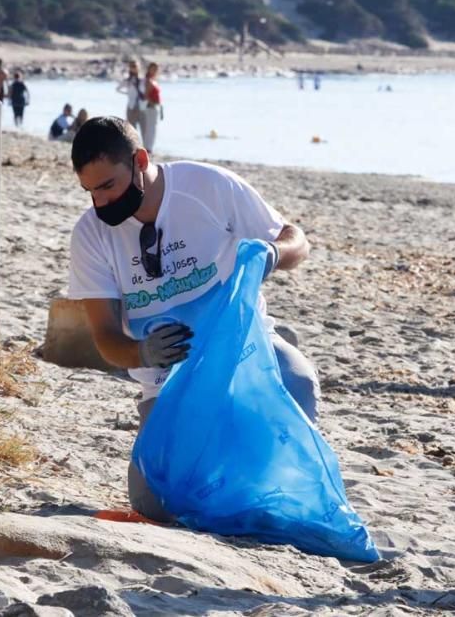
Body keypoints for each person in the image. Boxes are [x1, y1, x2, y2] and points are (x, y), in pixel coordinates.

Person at [66, 116, 319, 522]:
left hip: (243, 351)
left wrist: (273, 253)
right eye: (90, 192)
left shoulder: (207, 186)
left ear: (140, 160)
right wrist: (143, 352)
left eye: (108, 186)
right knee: (155, 504)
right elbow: (106, 338)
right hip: (168, 382)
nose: (101, 203)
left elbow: (297, 240)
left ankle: (268, 480)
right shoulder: (91, 235)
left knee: (299, 379)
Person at [116, 60, 144, 135]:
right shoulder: (128, 80)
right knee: (131, 128)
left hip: (142, 107)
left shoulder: (143, 80)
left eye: (135, 66)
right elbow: (118, 89)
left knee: (144, 129)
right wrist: (127, 93)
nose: (134, 68)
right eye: (132, 66)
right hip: (131, 106)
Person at [140, 62, 162, 154]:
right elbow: (146, 95)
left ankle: (149, 147)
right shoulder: (148, 81)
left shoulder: (153, 80)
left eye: (156, 69)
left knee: (153, 128)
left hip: (155, 107)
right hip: (151, 107)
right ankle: (147, 148)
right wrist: (152, 103)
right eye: (153, 68)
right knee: (150, 128)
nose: (155, 71)